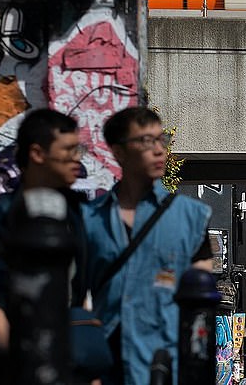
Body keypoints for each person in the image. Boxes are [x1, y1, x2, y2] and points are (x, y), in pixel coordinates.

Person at [82, 107, 213, 385]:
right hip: (105, 368)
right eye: (145, 141)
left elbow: (201, 309)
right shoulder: (90, 218)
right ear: (118, 152)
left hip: (167, 367)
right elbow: (74, 298)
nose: (158, 150)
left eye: (160, 140)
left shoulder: (191, 218)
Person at [0, 109, 88, 360]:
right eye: (68, 151)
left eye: (79, 150)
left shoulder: (78, 213)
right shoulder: (2, 215)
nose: (77, 159)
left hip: (70, 352)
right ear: (37, 154)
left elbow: (82, 288)